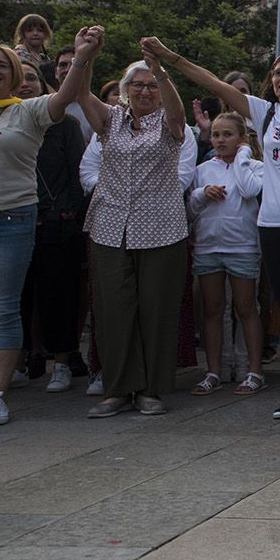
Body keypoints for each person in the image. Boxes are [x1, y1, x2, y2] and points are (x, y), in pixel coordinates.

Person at [149, 32, 280, 420]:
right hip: (273, 226)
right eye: (277, 73)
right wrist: (169, 56)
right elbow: (212, 82)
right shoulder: (264, 113)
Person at [0, 40, 83, 425]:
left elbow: (65, 94)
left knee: (1, 307)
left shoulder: (29, 110)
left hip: (10, 218)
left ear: (14, 73)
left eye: (2, 64)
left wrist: (82, 55)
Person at [72, 31, 191, 419]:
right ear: (124, 90)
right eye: (137, 85)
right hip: (109, 225)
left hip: (161, 228)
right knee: (113, 309)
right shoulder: (111, 121)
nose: (145, 91)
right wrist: (84, 56)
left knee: (155, 308)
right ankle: (118, 388)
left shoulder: (170, 125)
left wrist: (162, 71)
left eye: (151, 85)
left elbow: (177, 114)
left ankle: (151, 388)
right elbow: (78, 92)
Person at [14, 61, 86, 394]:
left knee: (59, 294)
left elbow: (78, 173)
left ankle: (62, 362)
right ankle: (23, 359)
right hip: (12, 218)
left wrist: (68, 213)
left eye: (31, 78)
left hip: (57, 222)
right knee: (18, 297)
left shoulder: (66, 125)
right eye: (19, 79)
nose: (24, 84)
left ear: (44, 86)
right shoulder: (5, 123)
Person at [187, 111, 266, 396]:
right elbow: (191, 211)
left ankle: (253, 369)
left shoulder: (255, 166)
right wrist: (201, 194)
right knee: (212, 309)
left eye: (228, 134)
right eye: (216, 134)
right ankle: (214, 370)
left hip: (242, 246)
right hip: (209, 246)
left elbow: (248, 191)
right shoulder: (202, 170)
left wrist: (243, 156)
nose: (220, 140)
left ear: (242, 139)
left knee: (246, 307)